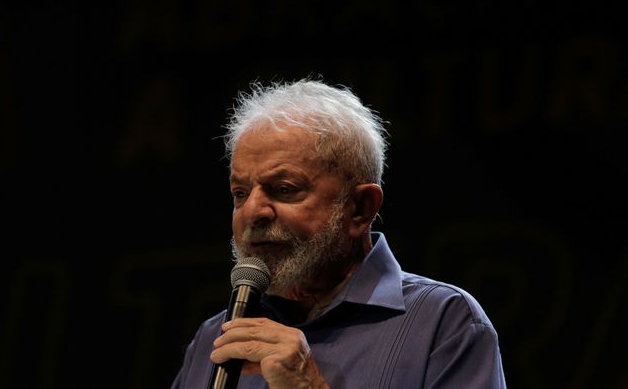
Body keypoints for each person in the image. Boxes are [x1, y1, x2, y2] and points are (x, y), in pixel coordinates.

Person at [170, 77, 507, 389]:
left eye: (284, 189)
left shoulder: (444, 324)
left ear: (359, 207)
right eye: (240, 193)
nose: (253, 212)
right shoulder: (213, 339)